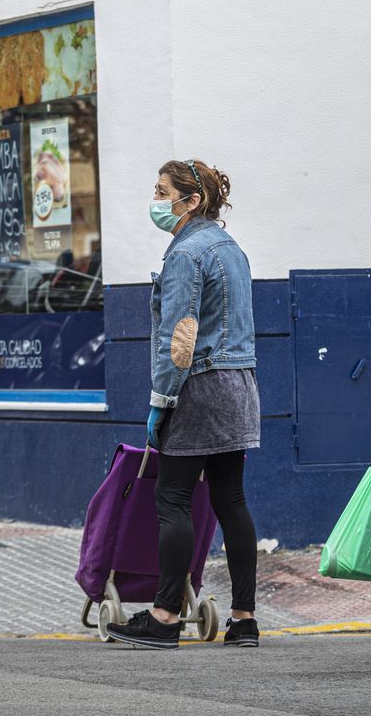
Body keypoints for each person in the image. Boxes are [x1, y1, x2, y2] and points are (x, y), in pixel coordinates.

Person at [105, 159, 261, 650]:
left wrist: (161, 403)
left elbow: (179, 339)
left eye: (162, 191)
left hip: (197, 388)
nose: (155, 200)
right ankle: (244, 619)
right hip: (240, 387)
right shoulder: (233, 250)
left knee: (171, 498)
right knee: (230, 500)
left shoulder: (185, 255)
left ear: (191, 201)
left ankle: (165, 615)